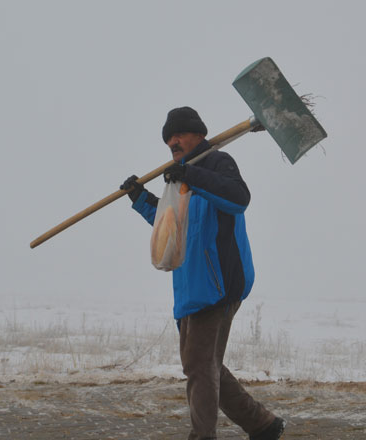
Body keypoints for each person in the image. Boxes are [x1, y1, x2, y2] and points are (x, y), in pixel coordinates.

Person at [120, 107, 286, 440]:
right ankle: (263, 425)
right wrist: (140, 198)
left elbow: (239, 198)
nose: (172, 141)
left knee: (199, 366)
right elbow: (169, 226)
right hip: (189, 286)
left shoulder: (216, 163)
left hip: (218, 283)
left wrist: (188, 176)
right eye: (168, 137)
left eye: (178, 134)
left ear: (197, 133)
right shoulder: (177, 175)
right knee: (206, 367)